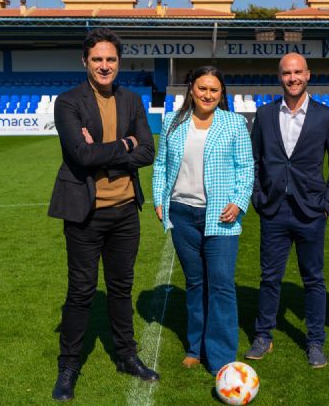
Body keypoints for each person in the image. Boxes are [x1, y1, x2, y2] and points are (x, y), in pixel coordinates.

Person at [48, 28, 158, 401]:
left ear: (119, 62)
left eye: (110, 59)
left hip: (126, 211)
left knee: (121, 288)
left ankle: (126, 356)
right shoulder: (68, 103)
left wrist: (112, 148)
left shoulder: (132, 100)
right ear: (85, 62)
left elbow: (148, 152)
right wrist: (126, 145)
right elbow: (81, 155)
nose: (104, 65)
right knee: (80, 291)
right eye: (97, 59)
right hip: (85, 213)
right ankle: (68, 367)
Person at [245, 53, 329, 368]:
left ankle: (315, 342)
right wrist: (257, 197)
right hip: (273, 210)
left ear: (308, 75)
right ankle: (263, 336)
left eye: (298, 72)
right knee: (269, 277)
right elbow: (254, 161)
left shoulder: (326, 116)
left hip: (310, 211)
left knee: (313, 279)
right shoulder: (263, 115)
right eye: (287, 73)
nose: (293, 78)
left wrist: (328, 203)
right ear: (280, 76)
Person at [152, 66, 254, 375]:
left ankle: (221, 355)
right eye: (202, 88)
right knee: (195, 284)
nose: (207, 94)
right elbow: (161, 164)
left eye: (214, 90)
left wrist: (238, 202)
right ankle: (196, 346)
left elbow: (246, 168)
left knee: (221, 285)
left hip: (221, 217)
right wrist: (159, 198)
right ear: (191, 90)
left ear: (221, 94)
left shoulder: (235, 123)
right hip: (183, 214)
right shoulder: (172, 121)